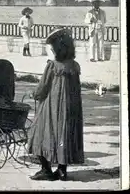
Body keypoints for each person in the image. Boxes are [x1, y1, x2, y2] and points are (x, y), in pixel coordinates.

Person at [27, 28, 84, 181]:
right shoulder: (74, 65)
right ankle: (62, 171)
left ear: (56, 49)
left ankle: (46, 170)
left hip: (53, 106)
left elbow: (42, 88)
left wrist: (34, 94)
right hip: (71, 108)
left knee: (39, 133)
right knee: (64, 136)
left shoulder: (53, 65)